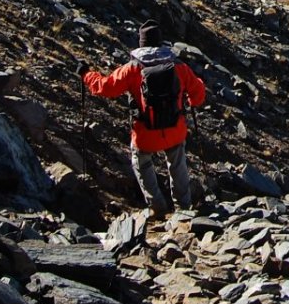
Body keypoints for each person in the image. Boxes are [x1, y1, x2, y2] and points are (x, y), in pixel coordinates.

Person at [80, 20, 207, 214]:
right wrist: (189, 95)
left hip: (145, 132)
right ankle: (184, 208)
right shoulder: (178, 67)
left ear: (141, 43)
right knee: (177, 163)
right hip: (175, 128)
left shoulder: (133, 68)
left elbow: (105, 88)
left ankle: (157, 208)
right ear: (160, 42)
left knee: (141, 162)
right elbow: (198, 95)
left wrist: (87, 75)